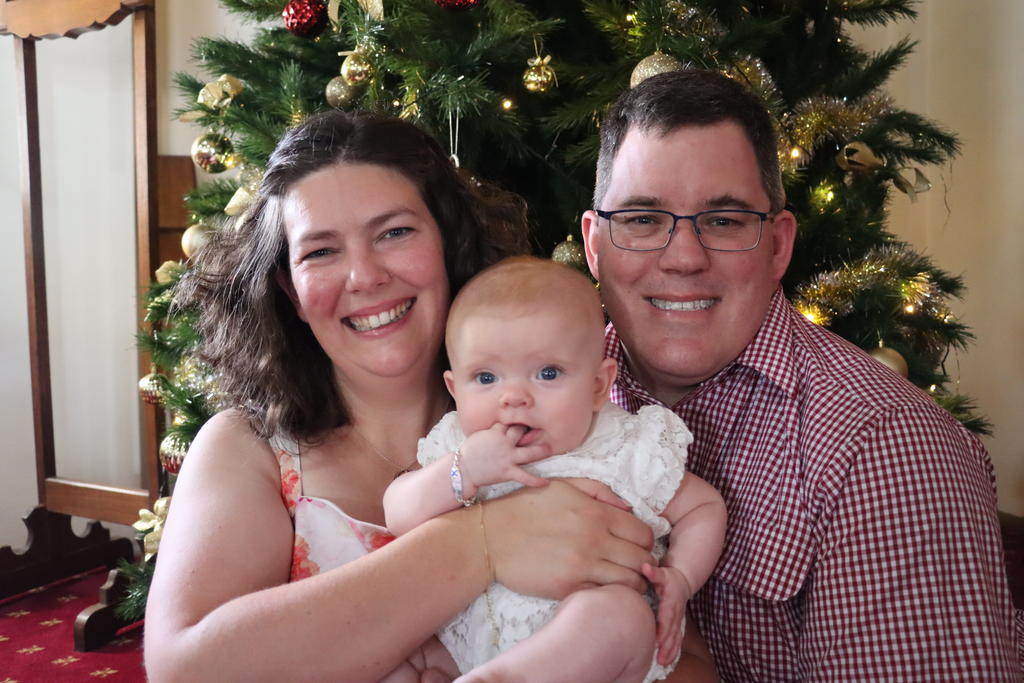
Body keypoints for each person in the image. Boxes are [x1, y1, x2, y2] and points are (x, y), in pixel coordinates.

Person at [143, 110, 666, 682]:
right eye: (320, 251)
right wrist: (481, 544)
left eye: (394, 233)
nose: (364, 276)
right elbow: (185, 670)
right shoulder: (250, 448)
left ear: (447, 242)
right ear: (291, 292)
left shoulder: (560, 427)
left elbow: (667, 643)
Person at [580, 68, 1024, 680]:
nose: (683, 258)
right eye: (641, 220)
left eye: (725, 221)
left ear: (779, 246)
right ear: (594, 243)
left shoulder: (892, 453)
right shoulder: (523, 401)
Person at [384, 256, 726, 682]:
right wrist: (462, 470)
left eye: (547, 373)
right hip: (465, 645)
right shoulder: (460, 445)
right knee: (396, 655)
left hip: (591, 654)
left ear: (599, 386)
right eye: (486, 378)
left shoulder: (624, 446)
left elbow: (703, 508)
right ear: (455, 389)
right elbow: (396, 510)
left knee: (619, 617)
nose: (513, 397)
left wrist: (681, 576)